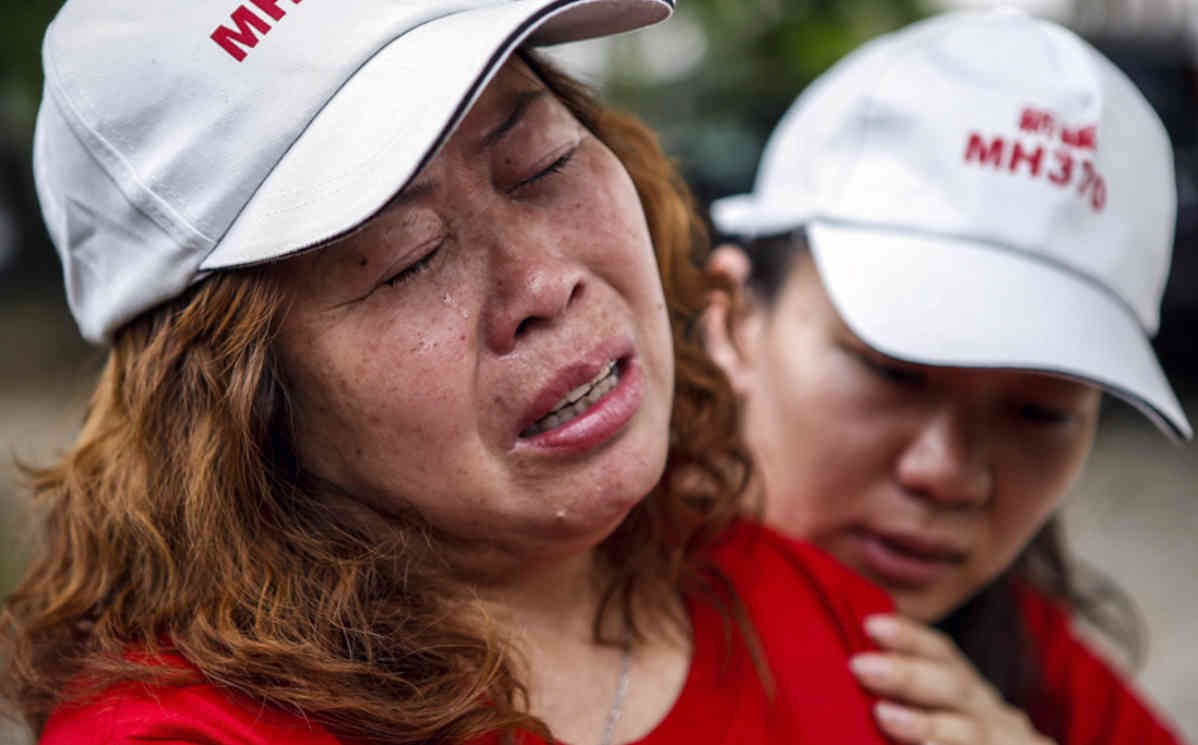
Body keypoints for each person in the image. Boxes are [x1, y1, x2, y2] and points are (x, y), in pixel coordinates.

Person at [0, 1, 900, 744]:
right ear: (237, 401)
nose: (544, 283)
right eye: (408, 259)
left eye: (542, 163)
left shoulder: (841, 627)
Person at [703, 10, 1192, 745]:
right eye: (891, 373)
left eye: (1039, 412)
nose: (949, 473)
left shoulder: (1036, 662)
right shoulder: (548, 628)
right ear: (735, 319)